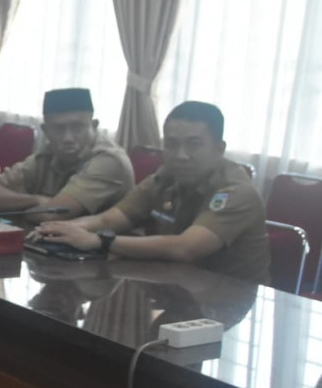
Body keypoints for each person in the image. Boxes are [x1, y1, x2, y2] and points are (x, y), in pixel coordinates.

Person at [31, 101, 270, 284]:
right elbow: (110, 219)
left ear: (219, 148)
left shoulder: (236, 192)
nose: (180, 155)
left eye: (193, 144)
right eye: (171, 144)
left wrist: (98, 241)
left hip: (227, 299)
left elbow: (185, 248)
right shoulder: (165, 177)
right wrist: (60, 230)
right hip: (176, 286)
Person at [0, 88, 134, 222]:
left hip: (105, 254)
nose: (68, 138)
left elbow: (51, 215)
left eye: (77, 127)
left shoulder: (109, 160)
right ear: (46, 131)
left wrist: (18, 203)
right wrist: (36, 199)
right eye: (58, 129)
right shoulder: (47, 153)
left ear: (93, 126)